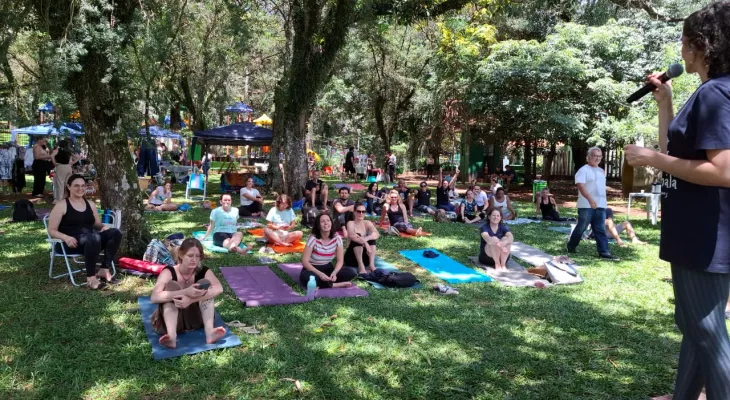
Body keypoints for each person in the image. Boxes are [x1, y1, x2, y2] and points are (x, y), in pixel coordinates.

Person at [624, 4, 730, 398]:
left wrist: (651, 157)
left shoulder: (717, 94)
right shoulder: (709, 92)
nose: (681, 48)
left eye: (685, 40)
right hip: (697, 229)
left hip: (705, 234)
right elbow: (680, 159)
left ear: (701, 45)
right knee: (695, 324)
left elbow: (723, 171)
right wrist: (665, 103)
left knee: (704, 329)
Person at [47, 174, 123, 290]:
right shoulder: (62, 205)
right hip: (69, 244)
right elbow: (51, 230)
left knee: (115, 232)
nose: (80, 188)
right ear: (68, 186)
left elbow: (96, 224)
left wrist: (103, 228)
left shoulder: (90, 204)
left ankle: (104, 269)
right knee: (94, 237)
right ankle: (91, 279)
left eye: (83, 186)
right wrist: (66, 238)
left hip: (91, 242)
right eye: (76, 185)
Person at [150, 238, 226, 349]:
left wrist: (191, 300)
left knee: (204, 284)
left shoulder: (203, 271)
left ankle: (210, 332)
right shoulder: (169, 271)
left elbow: (219, 288)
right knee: (172, 286)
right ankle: (171, 337)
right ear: (181, 255)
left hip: (196, 320)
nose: (194, 260)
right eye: (190, 256)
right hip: (172, 322)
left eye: (198, 256)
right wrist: (185, 292)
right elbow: (154, 297)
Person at [566, 147, 618, 261]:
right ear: (588, 157)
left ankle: (604, 252)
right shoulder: (583, 170)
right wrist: (590, 199)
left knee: (600, 229)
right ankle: (571, 246)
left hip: (600, 205)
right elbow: (580, 185)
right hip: (586, 205)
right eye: (595, 156)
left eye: (599, 156)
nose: (597, 158)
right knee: (582, 227)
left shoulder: (601, 171)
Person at [300, 213, 358, 288]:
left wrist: (335, 272)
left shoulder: (337, 238)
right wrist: (319, 274)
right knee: (307, 278)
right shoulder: (313, 239)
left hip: (328, 268)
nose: (326, 223)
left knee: (352, 272)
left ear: (331, 223)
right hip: (313, 269)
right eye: (322, 221)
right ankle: (333, 284)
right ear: (318, 225)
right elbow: (305, 261)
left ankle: (325, 282)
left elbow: (340, 261)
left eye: (328, 220)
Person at [344, 202, 380, 274]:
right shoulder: (350, 223)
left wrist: (367, 238)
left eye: (363, 212)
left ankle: (371, 265)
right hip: (351, 258)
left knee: (372, 239)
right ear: (354, 212)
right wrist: (365, 243)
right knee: (357, 238)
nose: (361, 213)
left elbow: (376, 234)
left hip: (365, 257)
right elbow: (352, 235)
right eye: (358, 211)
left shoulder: (367, 222)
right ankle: (361, 267)